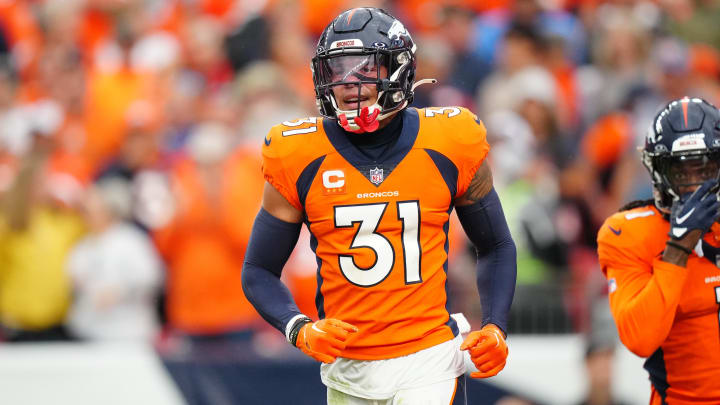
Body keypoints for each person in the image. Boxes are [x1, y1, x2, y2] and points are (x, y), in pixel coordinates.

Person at [241, 7, 517, 404]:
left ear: (399, 68)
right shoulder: (297, 153)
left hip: (429, 362)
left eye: (365, 68)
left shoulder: (451, 139)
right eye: (337, 70)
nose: (350, 83)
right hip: (348, 369)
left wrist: (495, 326)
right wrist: (298, 327)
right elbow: (258, 270)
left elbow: (495, 245)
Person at [597, 97, 720, 404]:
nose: (694, 186)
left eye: (704, 170)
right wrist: (678, 247)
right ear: (658, 171)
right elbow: (640, 338)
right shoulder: (629, 232)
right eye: (682, 172)